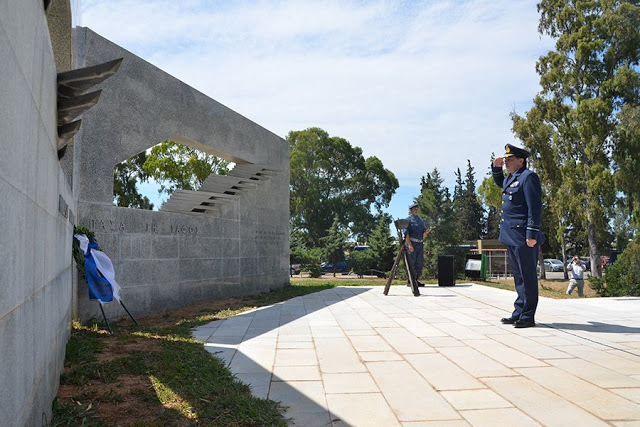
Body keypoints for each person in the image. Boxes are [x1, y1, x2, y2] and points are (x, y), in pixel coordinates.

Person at [492, 144, 545, 328]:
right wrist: (496, 168)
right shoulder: (511, 178)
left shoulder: (528, 177)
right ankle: (519, 311)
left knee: (527, 275)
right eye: (505, 159)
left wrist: (532, 233)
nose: (506, 162)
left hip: (524, 236)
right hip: (511, 235)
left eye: (510, 159)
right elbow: (501, 184)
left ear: (521, 161)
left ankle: (528, 316)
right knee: (519, 276)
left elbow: (535, 207)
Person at [405, 203, 433, 287]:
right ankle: (410, 280)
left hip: (420, 243)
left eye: (417, 209)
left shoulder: (420, 221)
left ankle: (416, 280)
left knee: (419, 263)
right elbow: (406, 234)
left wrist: (426, 233)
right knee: (411, 263)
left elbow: (423, 234)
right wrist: (409, 245)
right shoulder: (408, 220)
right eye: (415, 209)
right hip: (412, 243)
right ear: (411, 210)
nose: (416, 210)